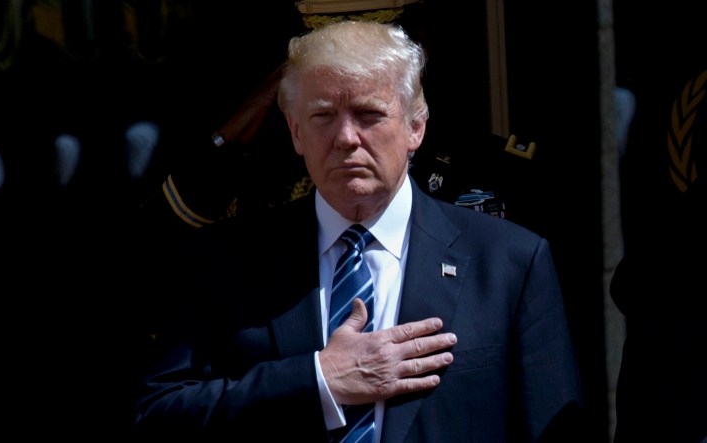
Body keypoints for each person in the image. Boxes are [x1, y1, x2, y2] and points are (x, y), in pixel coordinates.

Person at [132, 20, 583, 442]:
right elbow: (158, 413)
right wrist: (319, 381)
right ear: (295, 132)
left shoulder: (509, 262)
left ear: (415, 128)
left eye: (369, 114)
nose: (346, 137)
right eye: (323, 116)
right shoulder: (226, 260)